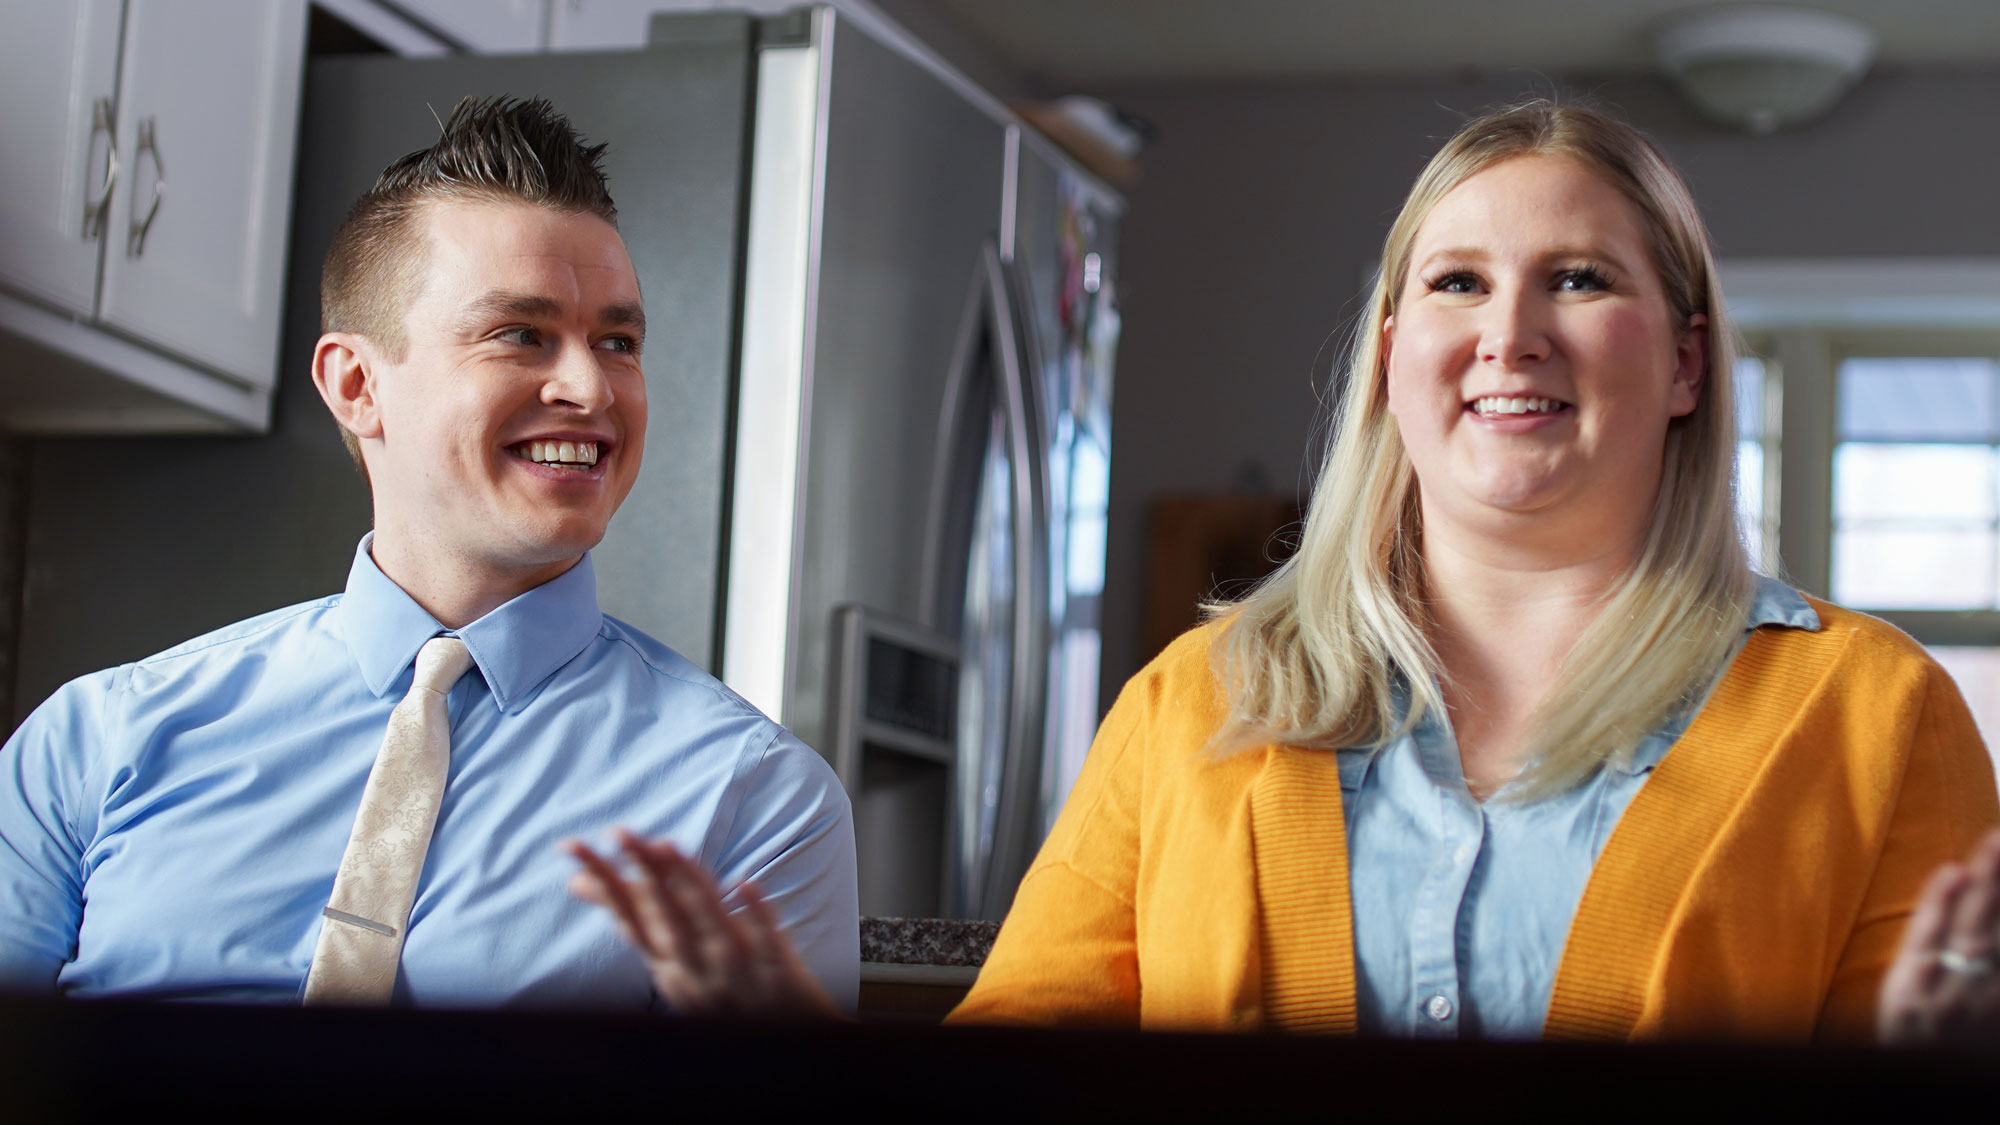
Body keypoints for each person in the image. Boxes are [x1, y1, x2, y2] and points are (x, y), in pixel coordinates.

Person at [937, 99, 2000, 1041]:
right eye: (1457, 283)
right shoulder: (1188, 704)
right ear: (1392, 357)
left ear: (1683, 362)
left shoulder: (1877, 712)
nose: (1508, 333)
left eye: (1576, 279)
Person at [0, 96, 857, 1014]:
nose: (591, 386)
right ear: (358, 385)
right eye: (520, 333)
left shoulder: (755, 804)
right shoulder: (93, 747)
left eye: (618, 341)